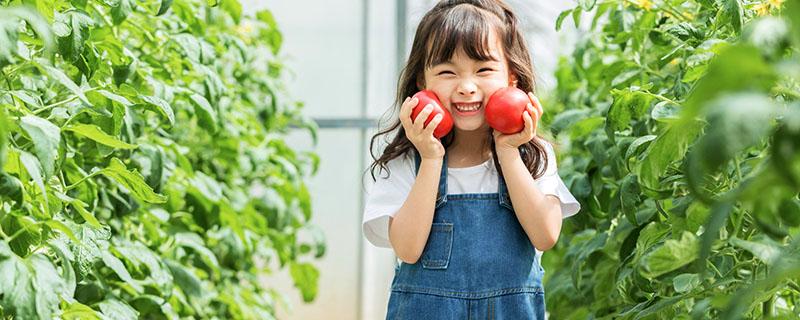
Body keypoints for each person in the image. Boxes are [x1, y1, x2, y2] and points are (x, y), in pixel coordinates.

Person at [362, 0, 581, 318]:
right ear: (422, 83)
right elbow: (408, 249)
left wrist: (507, 153)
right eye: (447, 72)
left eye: (484, 70)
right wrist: (431, 157)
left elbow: (545, 234)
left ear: (512, 78)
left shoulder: (532, 156)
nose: (466, 87)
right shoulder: (408, 160)